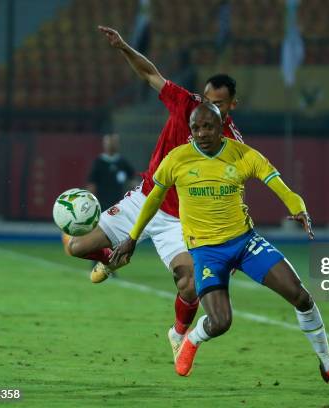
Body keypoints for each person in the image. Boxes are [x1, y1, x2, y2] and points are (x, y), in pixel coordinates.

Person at [110, 103, 329, 387]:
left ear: (221, 128)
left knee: (301, 296)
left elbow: (281, 186)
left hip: (245, 243)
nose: (202, 133)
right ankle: (193, 339)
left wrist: (299, 208)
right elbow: (153, 200)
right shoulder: (176, 159)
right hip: (206, 251)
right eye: (196, 128)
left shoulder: (243, 155)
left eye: (208, 127)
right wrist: (132, 238)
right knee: (220, 322)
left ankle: (328, 365)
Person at [63, 25, 244, 360]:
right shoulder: (185, 104)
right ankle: (111, 260)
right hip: (146, 199)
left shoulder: (233, 144)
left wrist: (232, 243)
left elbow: (233, 193)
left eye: (219, 104)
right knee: (76, 247)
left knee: (189, 283)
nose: (210, 109)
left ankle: (177, 333)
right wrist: (123, 47)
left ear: (232, 105)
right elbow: (150, 74)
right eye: (207, 100)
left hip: (181, 220)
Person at [86, 133, 136, 211]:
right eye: (109, 142)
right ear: (104, 144)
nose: (111, 144)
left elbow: (133, 181)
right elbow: (92, 184)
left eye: (114, 142)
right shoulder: (99, 162)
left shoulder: (122, 162)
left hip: (118, 204)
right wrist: (91, 202)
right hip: (102, 204)